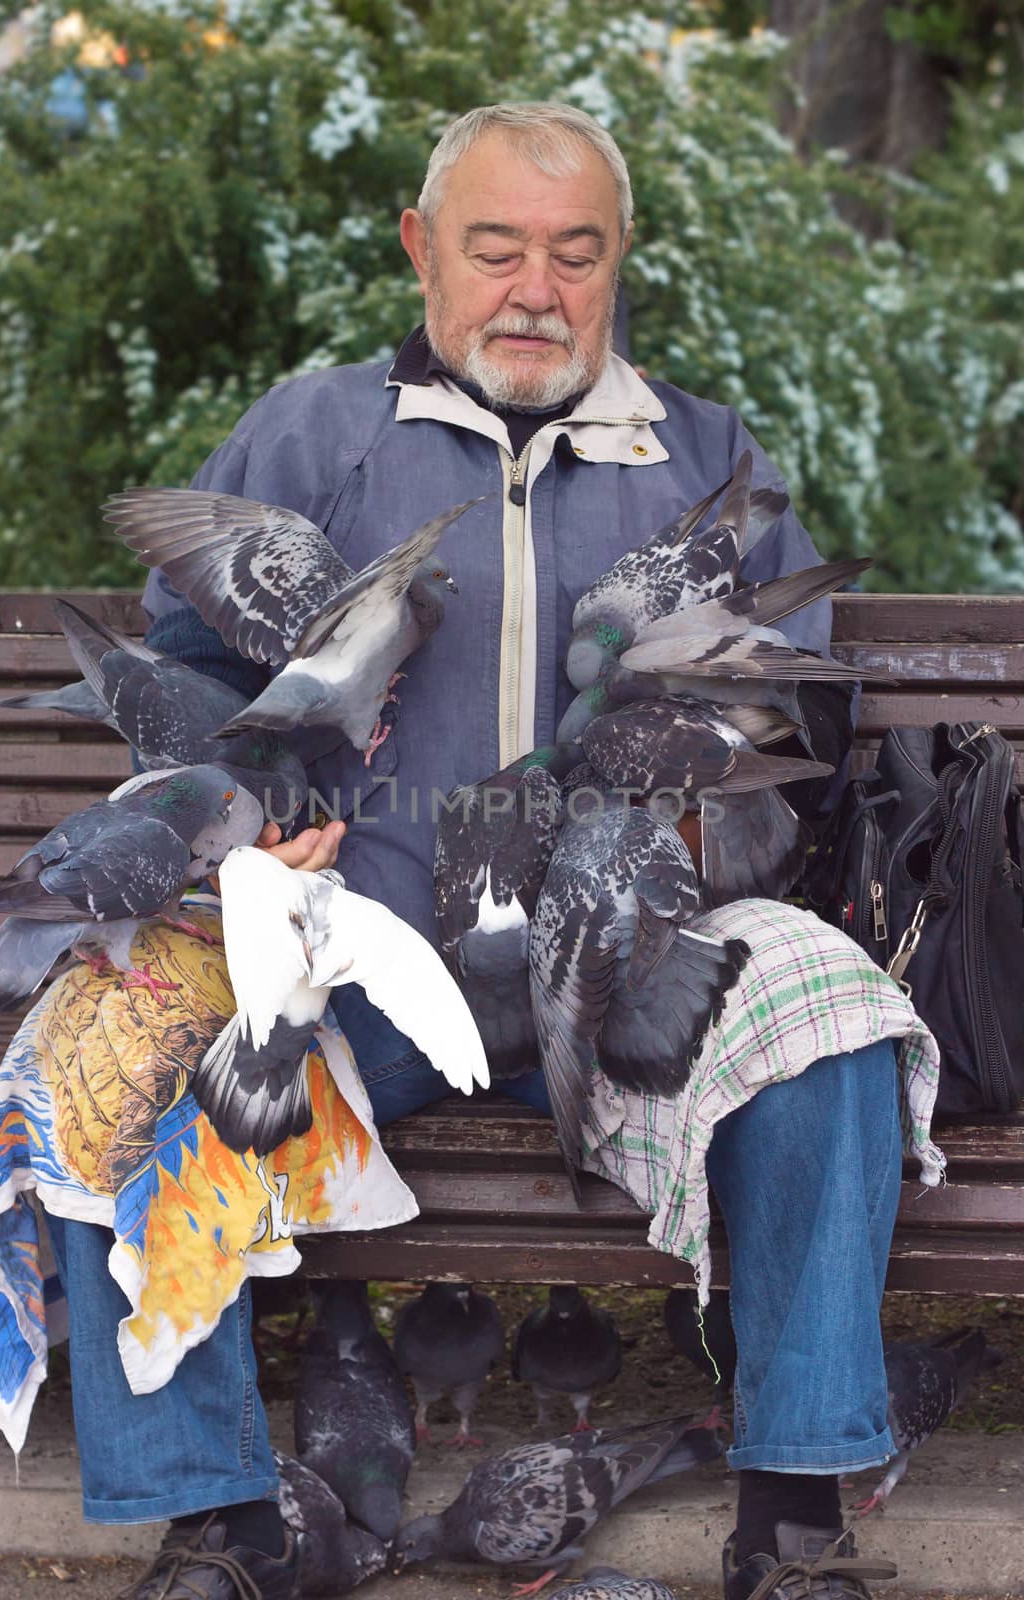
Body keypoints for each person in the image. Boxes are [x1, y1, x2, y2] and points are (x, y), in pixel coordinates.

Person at [51, 103, 927, 1600]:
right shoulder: (312, 434)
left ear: (617, 262)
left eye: (574, 254)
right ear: (419, 250)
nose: (536, 289)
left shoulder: (705, 452)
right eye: (497, 248)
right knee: (107, 1031)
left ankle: (789, 1525)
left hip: (628, 949)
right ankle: (220, 1526)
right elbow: (185, 685)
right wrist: (250, 823)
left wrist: (697, 812)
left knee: (827, 1016)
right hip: (358, 946)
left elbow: (800, 710)